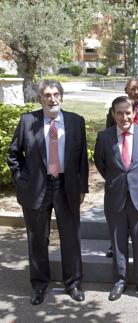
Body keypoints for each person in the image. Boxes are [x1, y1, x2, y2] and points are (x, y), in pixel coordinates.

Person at [7, 79, 89, 305]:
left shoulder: (75, 121)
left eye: (56, 94)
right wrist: (22, 181)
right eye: (47, 95)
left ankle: (73, 283)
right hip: (36, 188)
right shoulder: (27, 121)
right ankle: (39, 285)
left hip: (67, 187)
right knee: (37, 239)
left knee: (71, 238)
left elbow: (82, 157)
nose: (52, 99)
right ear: (39, 98)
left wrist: (82, 187)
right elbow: (13, 155)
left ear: (61, 97)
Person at [94, 96, 138, 301]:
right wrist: (118, 181)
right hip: (116, 198)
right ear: (113, 115)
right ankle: (120, 281)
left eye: (128, 112)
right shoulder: (104, 137)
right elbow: (101, 164)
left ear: (134, 113)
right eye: (119, 113)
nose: (124, 117)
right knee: (118, 242)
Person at [105, 78, 138, 259]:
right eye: (132, 89)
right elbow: (104, 155)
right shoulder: (115, 112)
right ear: (126, 90)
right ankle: (117, 248)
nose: (136, 92)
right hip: (120, 175)